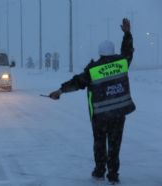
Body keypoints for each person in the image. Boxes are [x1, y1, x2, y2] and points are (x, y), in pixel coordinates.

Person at [49, 18, 135, 184]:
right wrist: (127, 34)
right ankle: (113, 175)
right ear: (112, 52)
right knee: (115, 145)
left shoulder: (93, 69)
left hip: (100, 115)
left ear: (100, 53)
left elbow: (77, 82)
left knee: (100, 143)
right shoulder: (122, 63)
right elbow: (128, 51)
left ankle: (99, 171)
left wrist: (59, 91)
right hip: (118, 114)